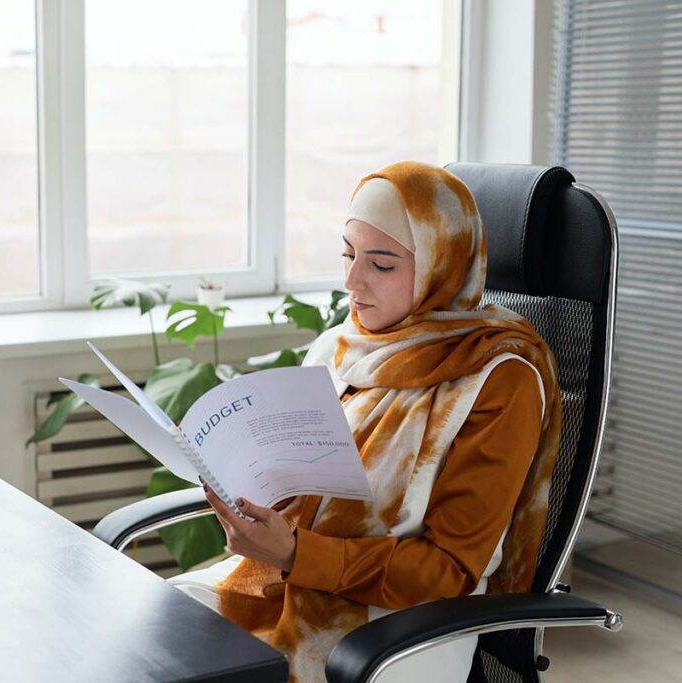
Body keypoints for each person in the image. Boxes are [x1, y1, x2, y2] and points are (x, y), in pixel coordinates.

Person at [168, 161, 562, 683]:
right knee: (155, 633)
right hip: (293, 584)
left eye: (381, 264)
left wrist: (295, 552)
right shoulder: (340, 347)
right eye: (348, 254)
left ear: (441, 266)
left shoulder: (496, 378)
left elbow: (449, 572)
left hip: (399, 631)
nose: (352, 282)